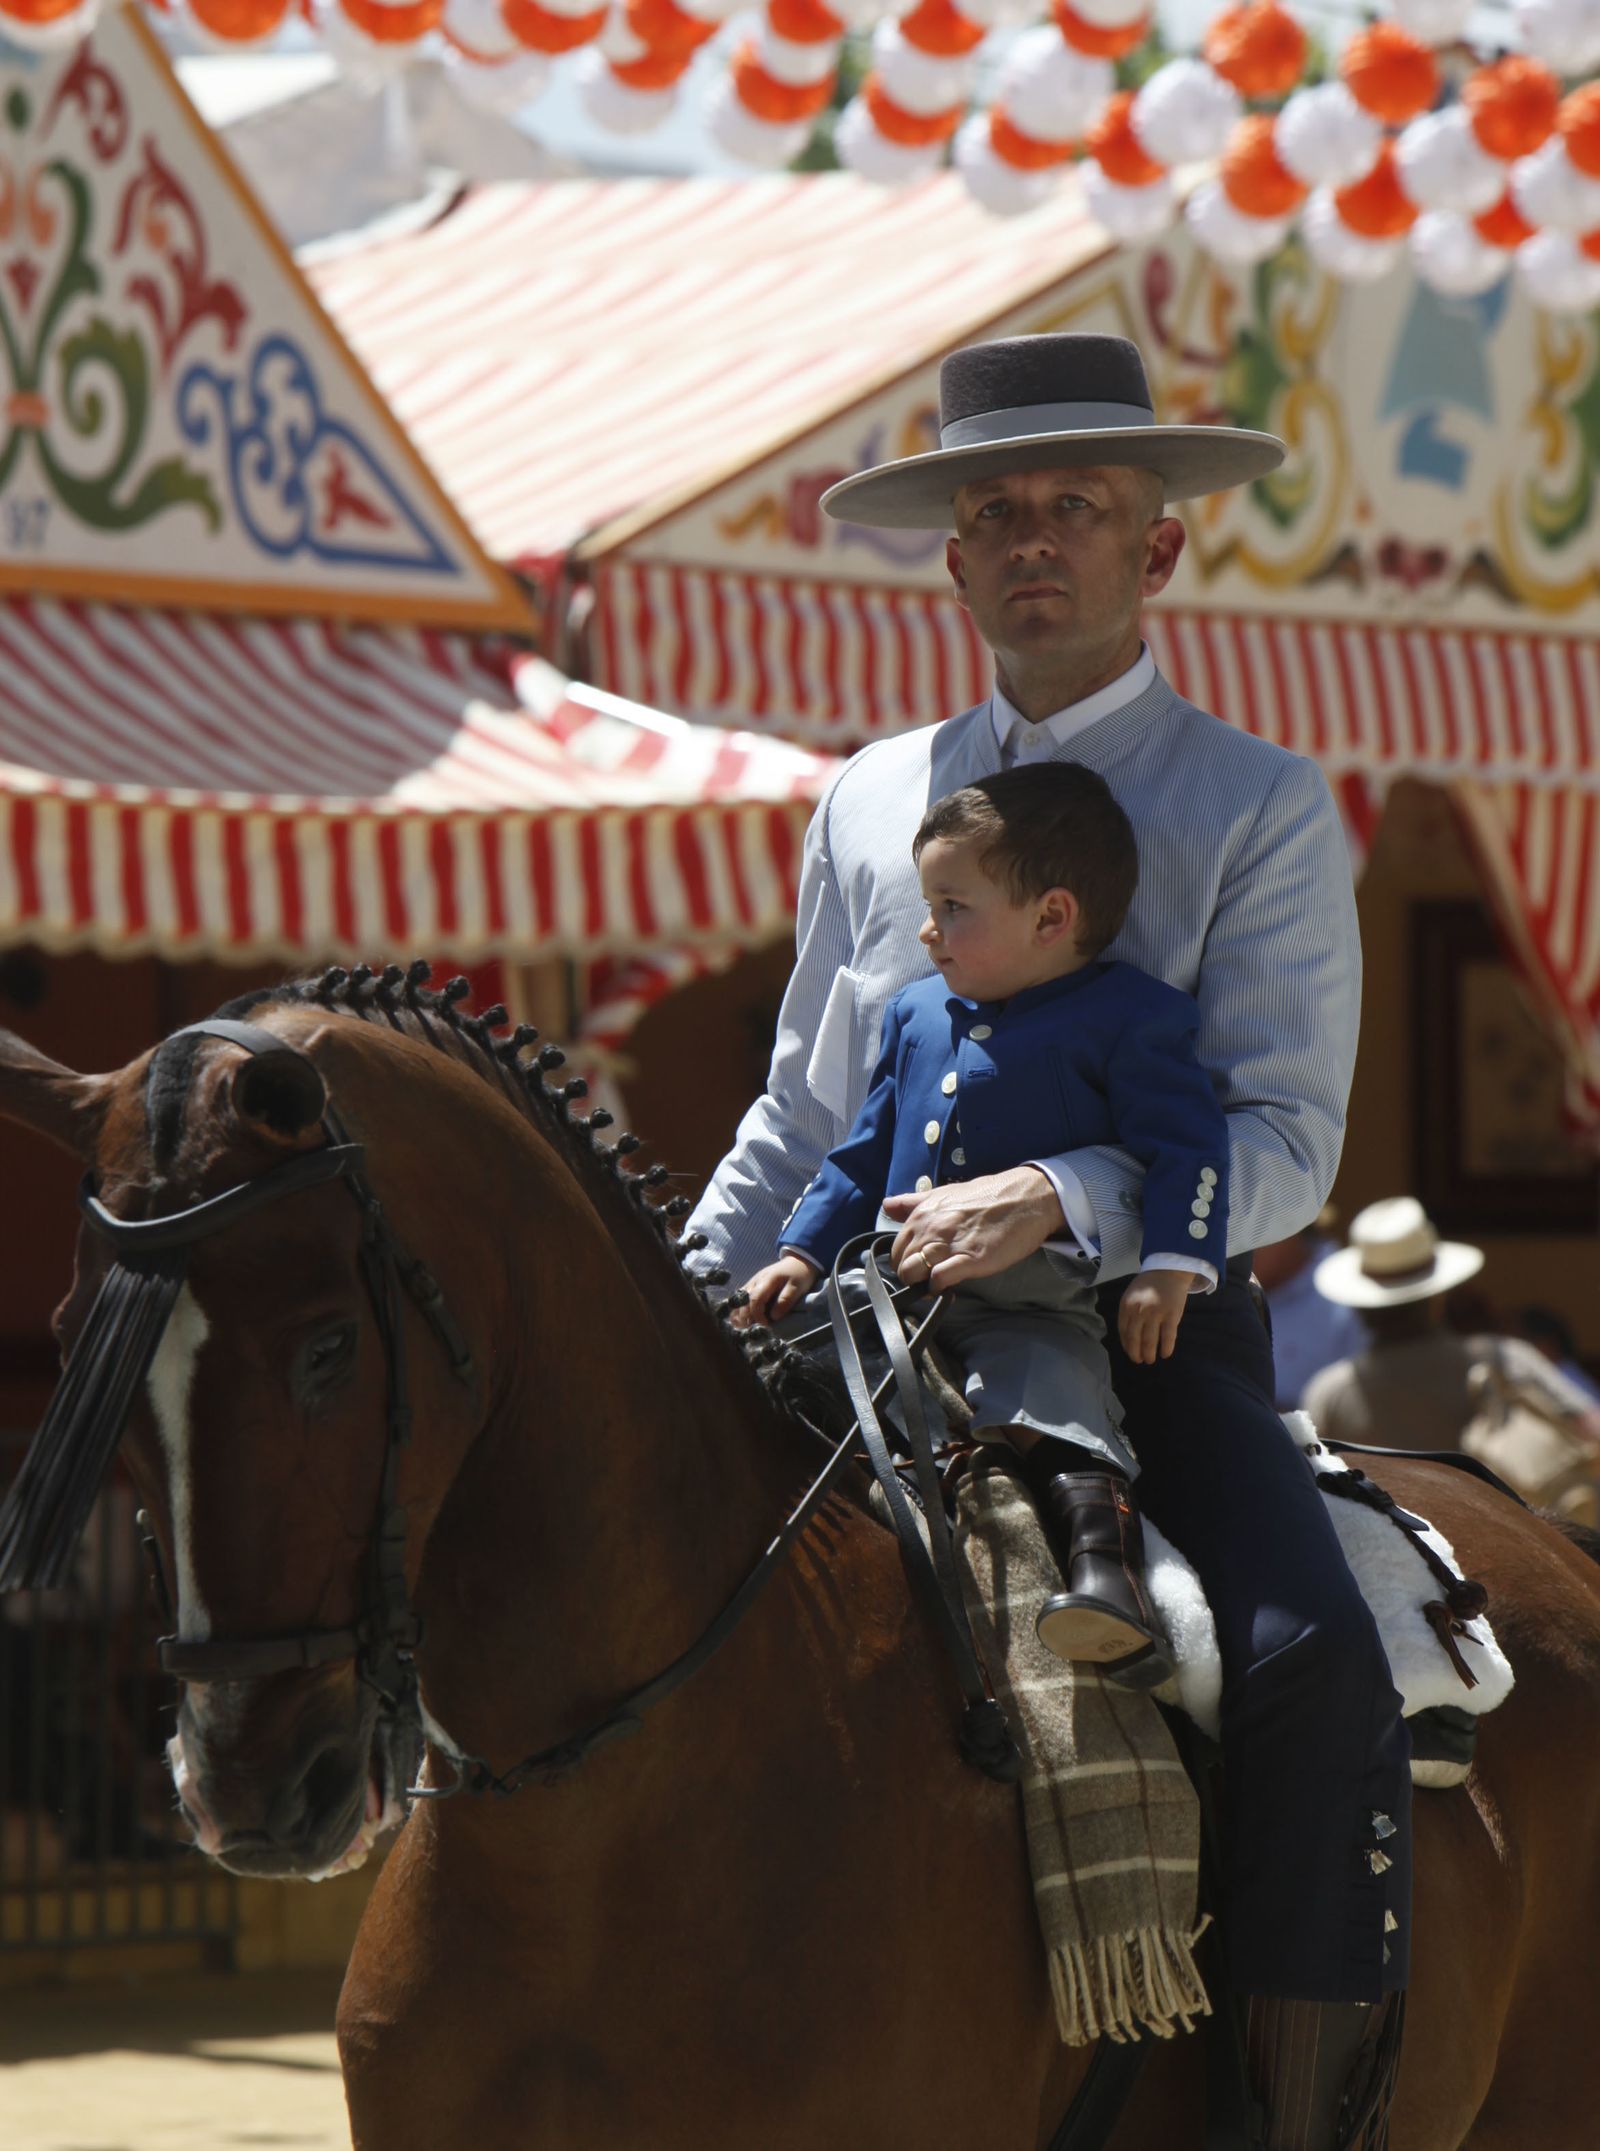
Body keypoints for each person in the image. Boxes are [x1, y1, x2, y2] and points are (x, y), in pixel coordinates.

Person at [686, 331, 1408, 2150]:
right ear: (952, 559)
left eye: (1076, 504)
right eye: (996, 508)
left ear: (1157, 547)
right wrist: (686, 1294)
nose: (1032, 536)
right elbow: (801, 1107)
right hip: (859, 1331)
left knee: (1308, 1645)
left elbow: (1288, 1137)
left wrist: (1069, 1195)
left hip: (1150, 1335)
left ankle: (1283, 2111)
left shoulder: (1258, 803)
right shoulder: (866, 797)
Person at [741, 764, 1229, 1687]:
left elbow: (1188, 1146)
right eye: (931, 905)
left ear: (1052, 917)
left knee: (1048, 1402)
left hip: (1028, 1299)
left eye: (953, 907)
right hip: (886, 1288)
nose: (927, 929)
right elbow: (863, 1150)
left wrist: (1170, 1265)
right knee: (784, 1381)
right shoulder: (916, 1011)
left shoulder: (1133, 1017)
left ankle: (1109, 1584)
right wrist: (801, 1251)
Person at [1304, 1198, 1600, 1453]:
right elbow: (1590, 1429)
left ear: (1360, 1305)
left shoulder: (1331, 1395)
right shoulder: (1504, 1360)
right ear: (1438, 1295)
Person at [1254, 1210, 1370, 1411]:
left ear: (1290, 1225)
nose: (1233, 1248)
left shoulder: (1349, 1293)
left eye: (1251, 1231)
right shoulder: (1221, 1291)